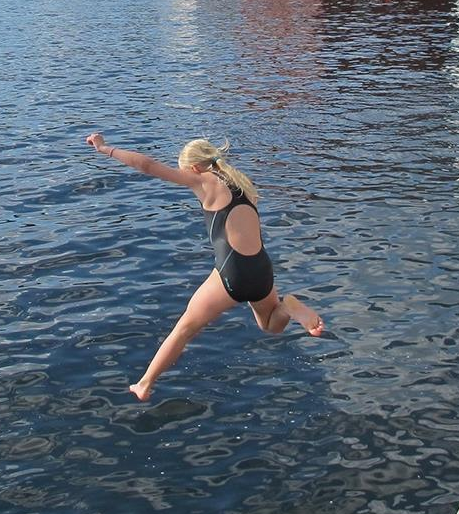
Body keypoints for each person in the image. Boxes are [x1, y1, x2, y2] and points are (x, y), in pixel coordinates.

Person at [85, 133, 324, 401]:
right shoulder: (240, 184)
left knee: (185, 328)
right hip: (261, 269)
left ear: (195, 167)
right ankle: (288, 305)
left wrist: (106, 149)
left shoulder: (203, 180)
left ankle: (144, 383)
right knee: (271, 324)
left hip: (233, 271)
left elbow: (148, 166)